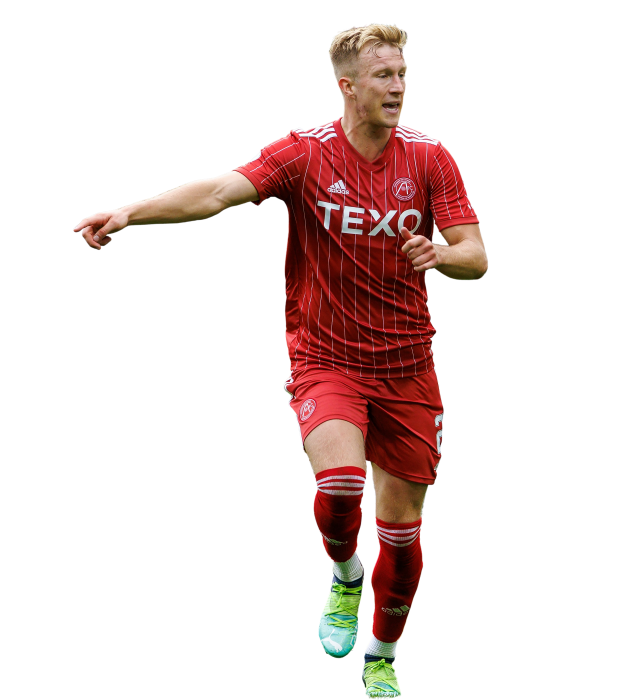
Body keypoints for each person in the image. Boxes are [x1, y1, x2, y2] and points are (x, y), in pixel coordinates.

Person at [73, 23, 488, 699]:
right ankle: (345, 576)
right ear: (346, 85)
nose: (398, 87)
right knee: (342, 485)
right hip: (328, 359)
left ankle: (382, 653)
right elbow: (217, 192)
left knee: (403, 535)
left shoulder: (430, 158)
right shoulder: (304, 153)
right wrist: (130, 213)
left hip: (409, 367)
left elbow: (476, 257)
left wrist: (441, 255)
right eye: (384, 76)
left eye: (403, 75)